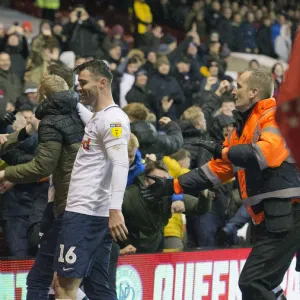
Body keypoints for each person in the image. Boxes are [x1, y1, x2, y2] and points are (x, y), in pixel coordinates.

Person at [142, 68, 300, 300]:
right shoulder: (241, 127)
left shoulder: (273, 116)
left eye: (239, 86)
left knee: (254, 282)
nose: (234, 91)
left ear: (254, 92)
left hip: (288, 212)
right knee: (264, 284)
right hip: (271, 216)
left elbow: (265, 154)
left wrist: (224, 151)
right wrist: (171, 186)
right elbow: (217, 170)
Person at [52, 59, 130, 300]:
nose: (79, 87)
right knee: (97, 289)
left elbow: (120, 163)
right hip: (93, 214)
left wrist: (115, 209)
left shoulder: (112, 119)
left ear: (102, 83)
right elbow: (90, 117)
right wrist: (66, 96)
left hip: (85, 214)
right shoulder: (101, 117)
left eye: (83, 82)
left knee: (64, 286)